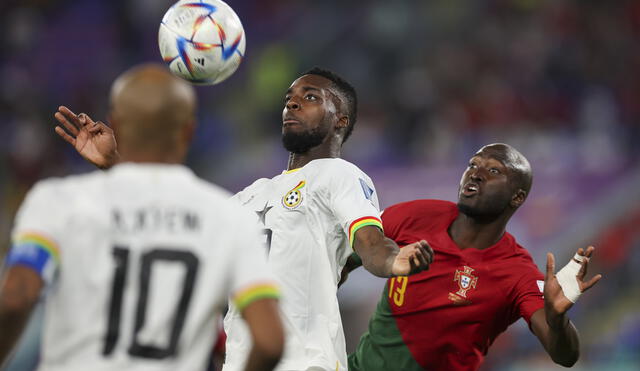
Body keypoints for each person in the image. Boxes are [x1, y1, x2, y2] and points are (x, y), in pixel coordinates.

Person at [51, 67, 434, 371]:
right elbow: (180, 228)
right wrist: (117, 165)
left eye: (310, 97)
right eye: (289, 98)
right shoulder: (247, 197)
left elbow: (370, 243)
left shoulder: (341, 175)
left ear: (341, 121)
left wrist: (393, 261)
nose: (292, 105)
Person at [0, 64, 285, 371]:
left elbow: (16, 297)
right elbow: (270, 342)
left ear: (115, 124)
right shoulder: (229, 219)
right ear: (188, 131)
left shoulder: (55, 201)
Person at [345, 143, 603, 371]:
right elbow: (344, 257)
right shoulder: (414, 216)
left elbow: (566, 356)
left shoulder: (517, 273)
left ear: (518, 196)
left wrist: (558, 321)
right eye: (473, 165)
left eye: (493, 171)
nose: (476, 174)